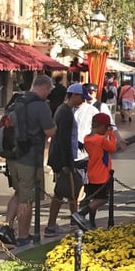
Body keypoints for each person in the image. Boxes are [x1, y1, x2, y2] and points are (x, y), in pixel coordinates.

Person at [0, 75, 56, 247]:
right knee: (27, 198)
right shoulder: (40, 106)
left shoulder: (16, 101)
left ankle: (6, 228)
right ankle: (23, 236)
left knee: (18, 192)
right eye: (49, 90)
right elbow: (50, 132)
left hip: (13, 156)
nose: (49, 94)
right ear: (45, 87)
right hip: (29, 159)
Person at [44, 82, 90, 237]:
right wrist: (67, 163)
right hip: (62, 159)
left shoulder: (64, 111)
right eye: (81, 97)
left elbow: (65, 136)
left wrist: (78, 144)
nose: (83, 101)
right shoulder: (65, 112)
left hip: (62, 157)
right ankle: (53, 225)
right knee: (64, 190)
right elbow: (62, 138)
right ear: (74, 95)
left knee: (71, 190)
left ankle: (75, 219)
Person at [71, 113, 122, 231]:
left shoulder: (87, 138)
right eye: (106, 128)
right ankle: (81, 214)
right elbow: (113, 148)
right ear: (101, 126)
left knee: (94, 198)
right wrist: (111, 134)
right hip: (102, 174)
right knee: (102, 199)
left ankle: (91, 222)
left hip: (91, 172)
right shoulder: (100, 140)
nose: (106, 130)